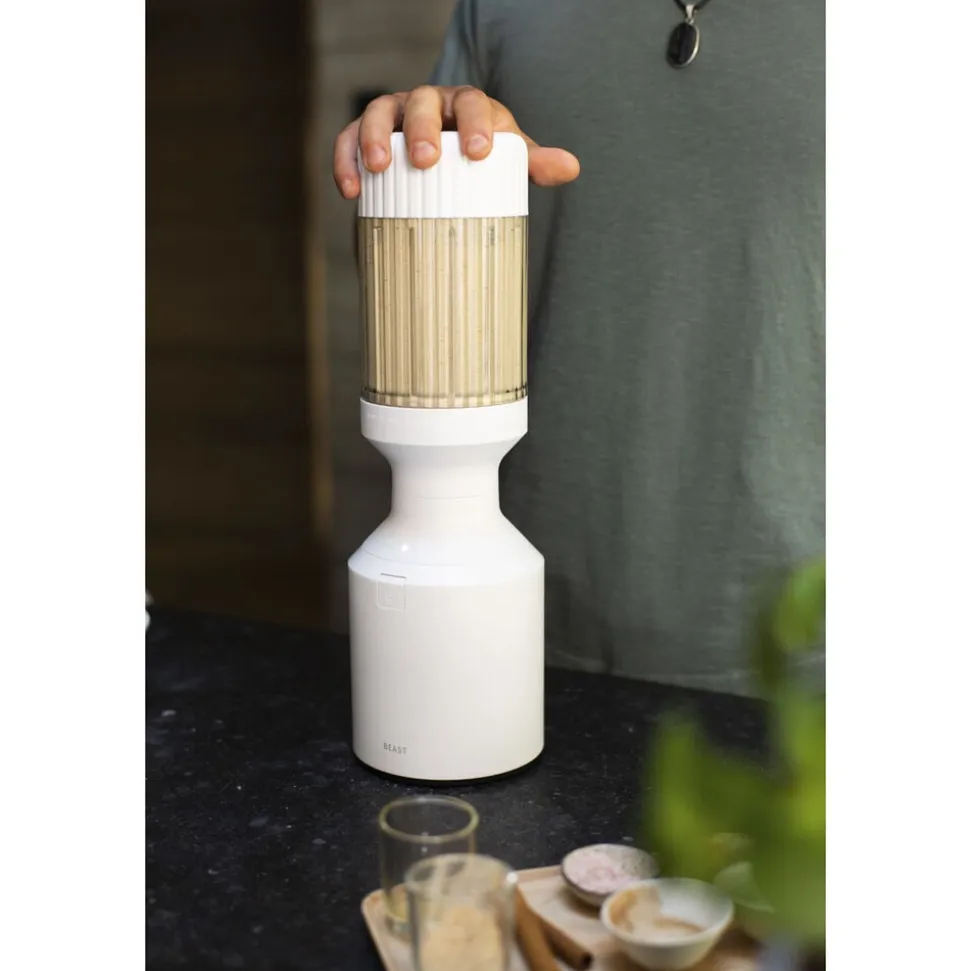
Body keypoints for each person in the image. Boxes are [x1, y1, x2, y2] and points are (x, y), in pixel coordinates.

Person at [333, 0, 824, 696]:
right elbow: (408, 286)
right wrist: (411, 170)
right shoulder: (502, 9)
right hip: (514, 603)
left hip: (809, 637)